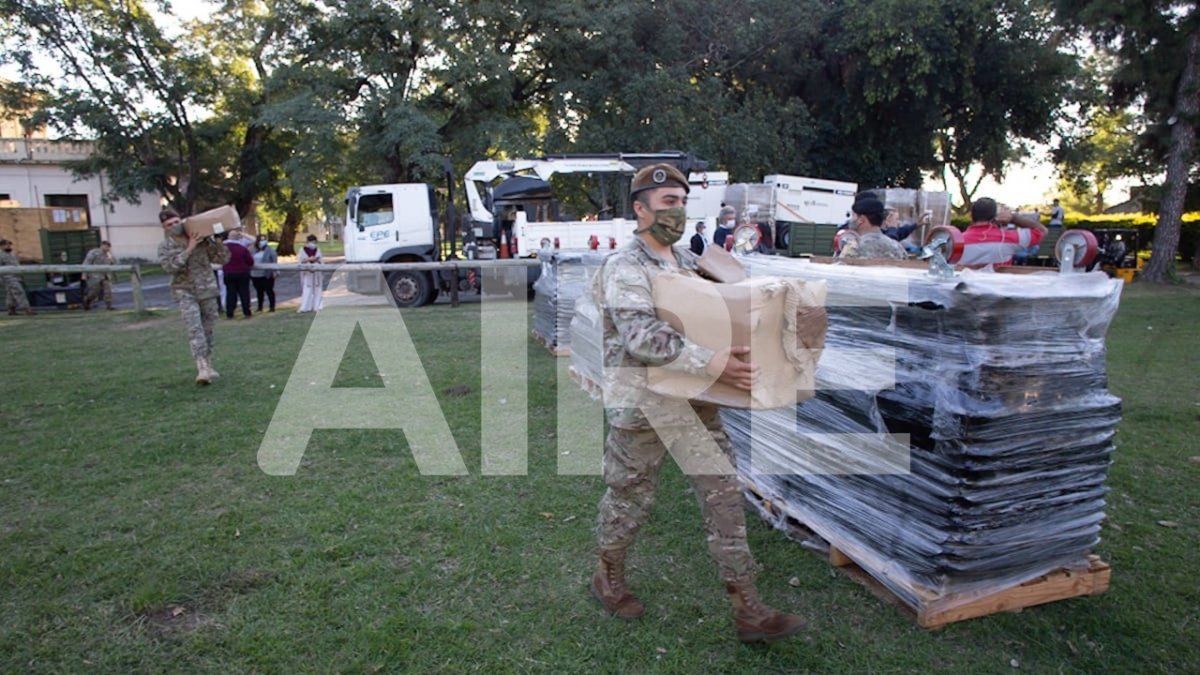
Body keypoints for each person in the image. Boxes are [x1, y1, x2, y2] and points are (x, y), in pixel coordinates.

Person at [590, 163, 806, 643]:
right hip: (642, 405)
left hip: (695, 402)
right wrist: (716, 365)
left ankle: (748, 607)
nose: (678, 210)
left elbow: (722, 311)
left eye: (682, 201)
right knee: (630, 500)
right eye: (668, 202)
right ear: (640, 208)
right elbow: (641, 336)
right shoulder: (625, 267)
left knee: (724, 496)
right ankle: (608, 575)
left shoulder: (685, 264)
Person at [157, 208, 230, 384]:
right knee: (195, 328)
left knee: (208, 329)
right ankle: (202, 367)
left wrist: (218, 240)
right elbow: (170, 267)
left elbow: (222, 259)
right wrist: (189, 248)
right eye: (169, 224)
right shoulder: (165, 246)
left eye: (176, 222)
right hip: (185, 291)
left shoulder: (201, 238)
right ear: (164, 227)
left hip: (207, 289)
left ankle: (208, 363)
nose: (174, 226)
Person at [959, 197, 1048, 267]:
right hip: (998, 289)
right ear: (995, 216)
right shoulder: (1010, 238)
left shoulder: (956, 241)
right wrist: (1013, 218)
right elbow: (1042, 231)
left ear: (971, 216)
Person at [838, 197, 908, 260]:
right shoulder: (898, 247)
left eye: (853, 215)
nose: (850, 220)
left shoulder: (853, 247)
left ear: (861, 220)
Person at [222, 232, 255, 319]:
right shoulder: (242, 249)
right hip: (242, 273)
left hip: (228, 273)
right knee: (244, 293)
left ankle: (230, 313)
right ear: (238, 238)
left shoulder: (223, 248)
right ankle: (247, 312)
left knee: (230, 294)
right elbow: (250, 262)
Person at [0, 239, 34, 316]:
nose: (9, 246)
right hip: (8, 277)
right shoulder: (1, 255)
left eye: (9, 244)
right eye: (6, 244)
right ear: (1, 246)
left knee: (11, 294)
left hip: (16, 276)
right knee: (19, 292)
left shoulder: (12, 254)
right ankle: (27, 309)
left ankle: (11, 309)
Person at [81, 241, 117, 310]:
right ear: (102, 245)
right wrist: (84, 274)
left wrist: (111, 258)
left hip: (105, 275)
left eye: (108, 247)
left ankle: (109, 306)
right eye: (106, 246)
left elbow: (114, 264)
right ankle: (87, 301)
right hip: (94, 275)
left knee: (108, 290)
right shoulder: (94, 253)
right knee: (94, 292)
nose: (107, 248)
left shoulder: (108, 255)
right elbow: (86, 263)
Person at [250, 236, 278, 312]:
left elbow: (274, 262)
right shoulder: (254, 251)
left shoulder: (271, 251)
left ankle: (272, 307)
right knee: (259, 292)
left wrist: (275, 272)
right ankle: (260, 307)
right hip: (255, 275)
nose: (263, 241)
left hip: (266, 275)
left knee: (269, 291)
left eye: (264, 240)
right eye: (261, 240)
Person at [298, 234, 324, 313]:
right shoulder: (303, 250)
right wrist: (308, 259)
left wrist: (316, 259)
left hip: (316, 273)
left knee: (317, 289)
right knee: (307, 289)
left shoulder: (317, 250)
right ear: (307, 242)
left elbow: (321, 260)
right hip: (307, 272)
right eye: (311, 242)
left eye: (314, 242)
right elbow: (300, 261)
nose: (312, 243)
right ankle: (305, 307)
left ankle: (317, 306)